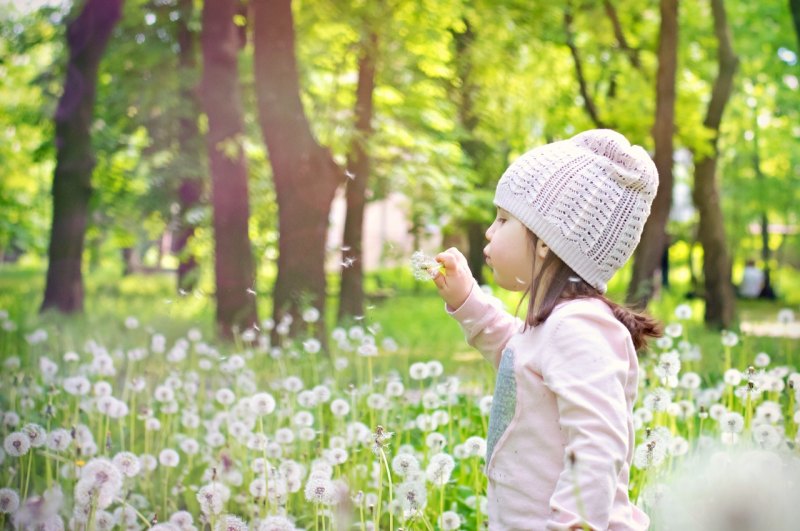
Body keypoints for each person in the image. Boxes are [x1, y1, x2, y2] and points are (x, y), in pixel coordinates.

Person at [431, 129, 662, 530]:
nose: (489, 231)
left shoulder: (579, 328)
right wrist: (467, 300)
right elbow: (516, 355)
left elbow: (596, 447)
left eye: (503, 219)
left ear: (545, 242)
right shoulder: (554, 327)